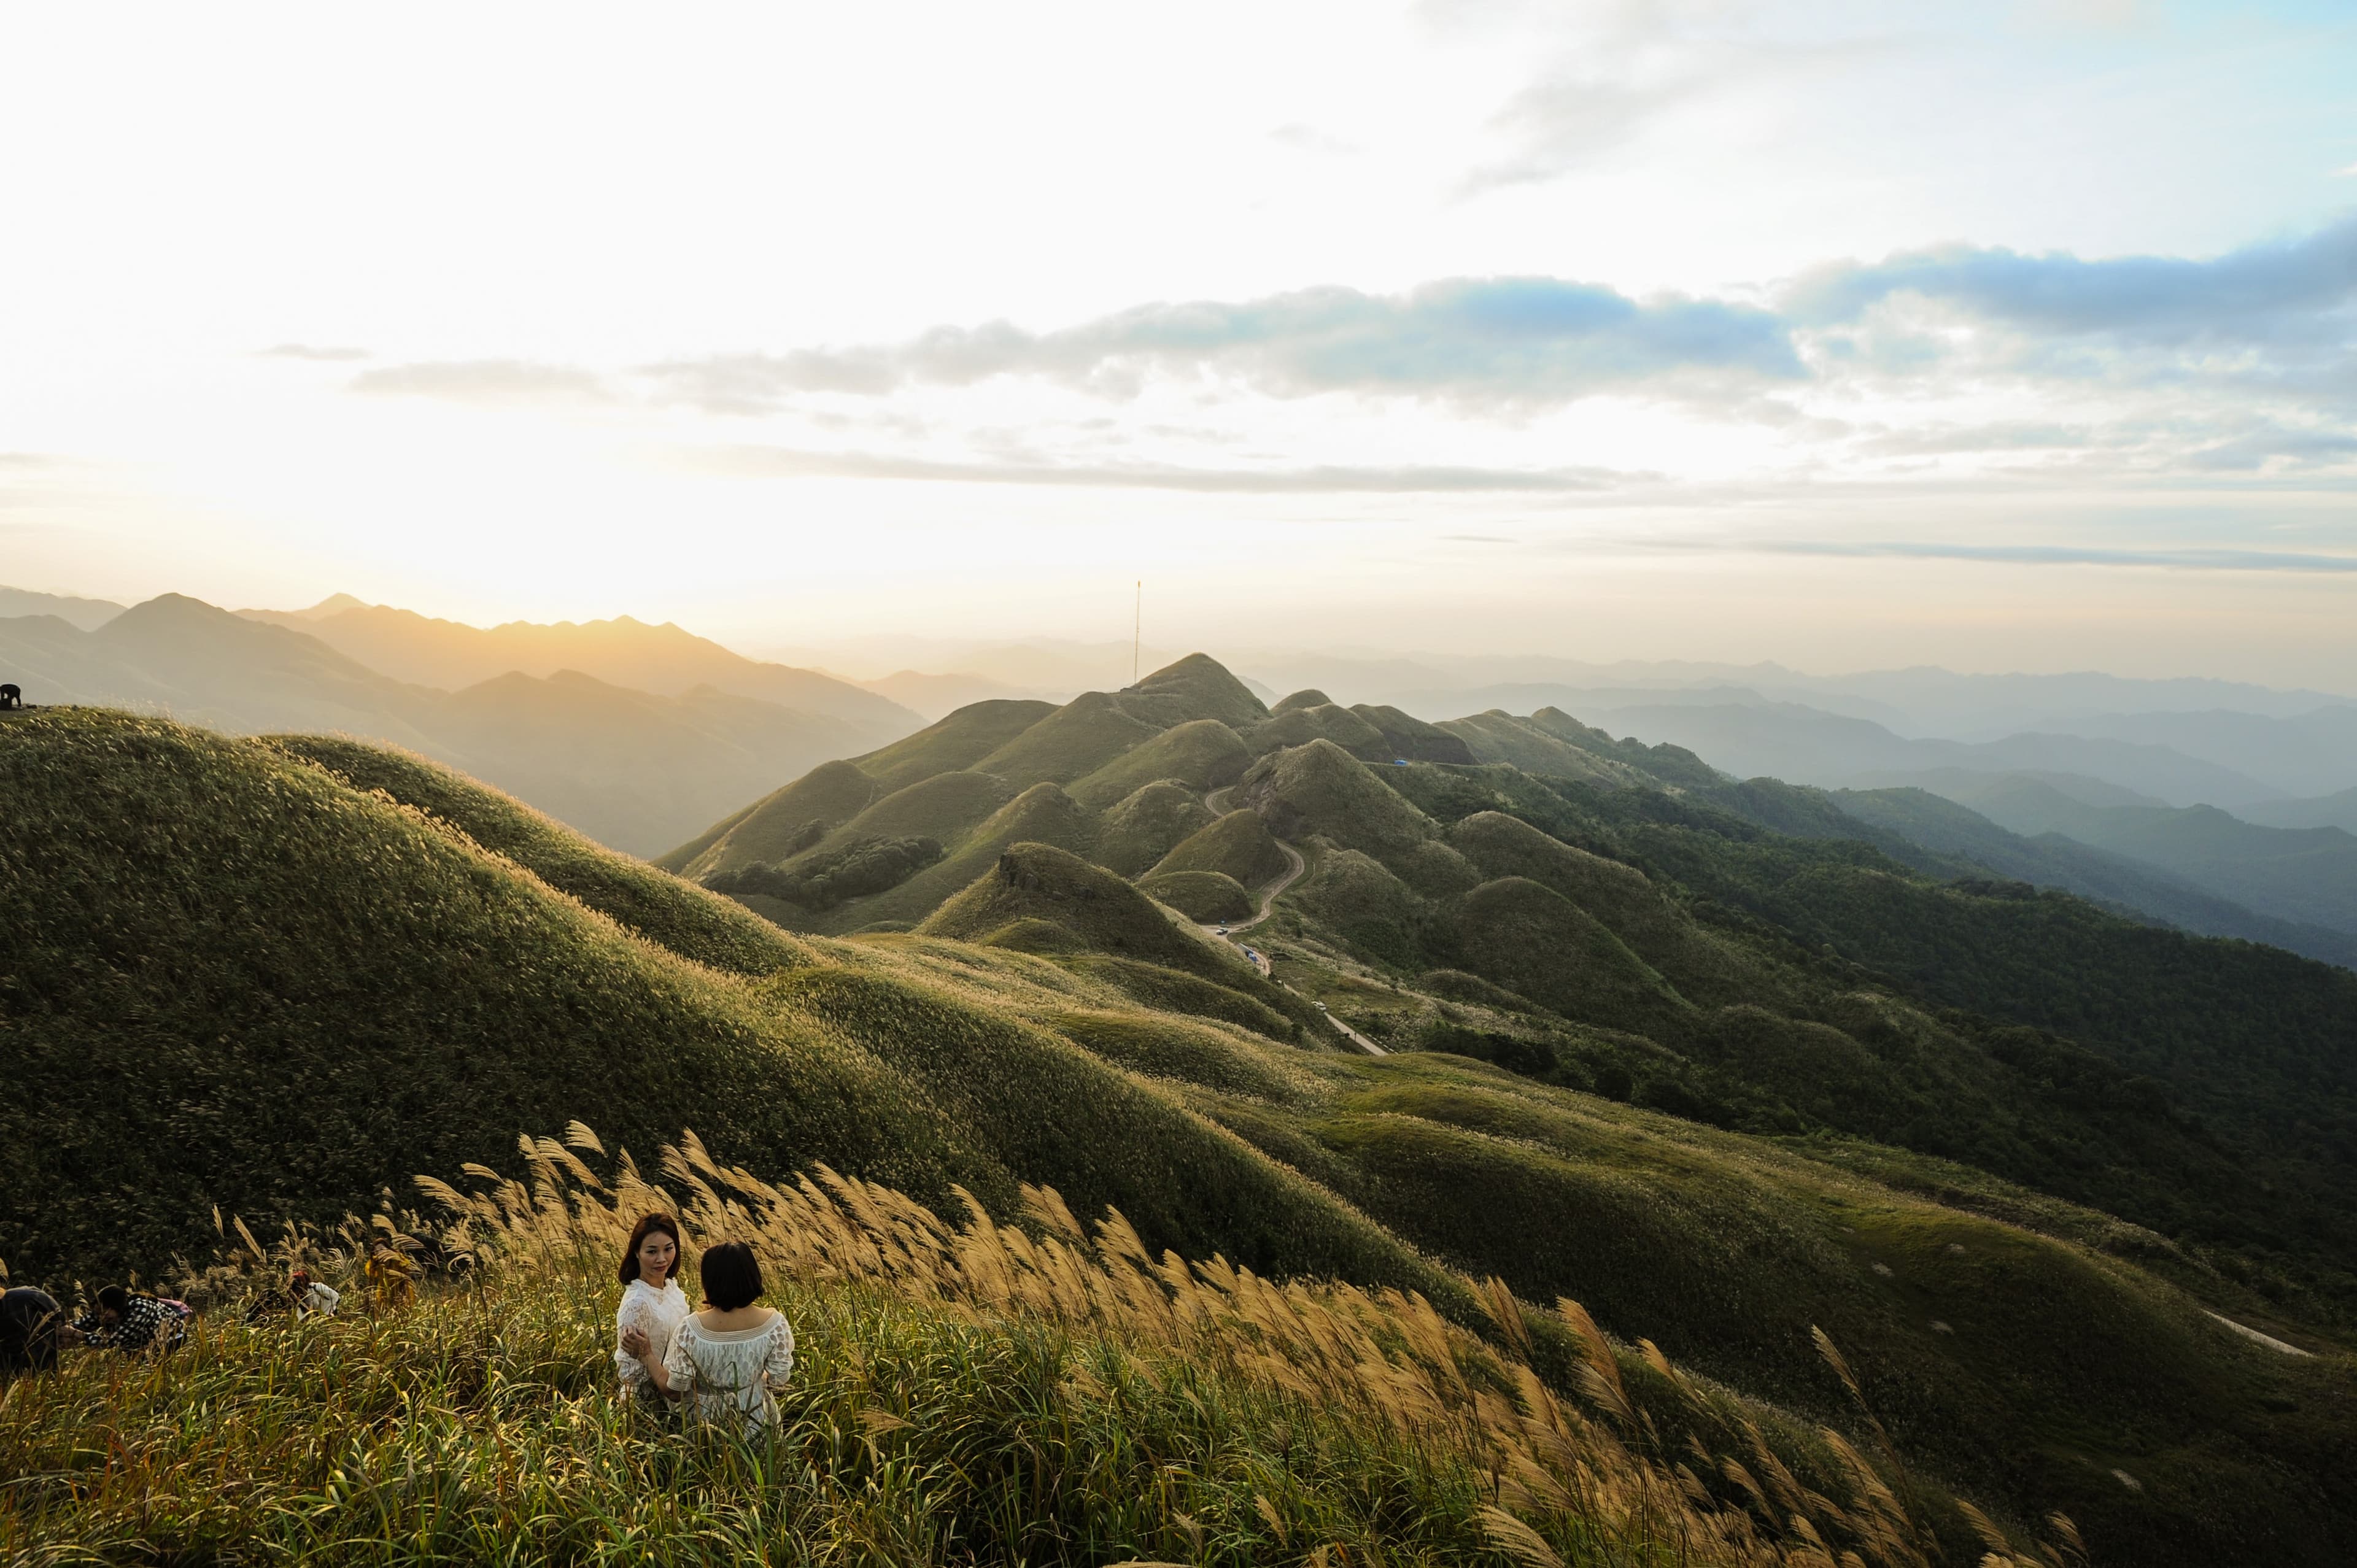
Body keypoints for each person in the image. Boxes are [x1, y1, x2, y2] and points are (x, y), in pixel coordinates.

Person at [621, 1241, 793, 1437]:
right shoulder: (775, 1325)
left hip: (705, 1431)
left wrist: (646, 1354)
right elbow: (779, 1384)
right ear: (753, 1276)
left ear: (709, 1280)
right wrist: (750, 1380)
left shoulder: (692, 1329)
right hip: (757, 1424)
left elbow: (674, 1391)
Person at [612, 1213, 689, 1415]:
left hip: (677, 1394)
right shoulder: (637, 1303)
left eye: (669, 1249)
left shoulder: (671, 1287)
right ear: (636, 1252)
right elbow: (631, 1372)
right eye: (652, 1251)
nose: (662, 1259)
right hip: (649, 1408)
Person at [67, 1284, 190, 1354]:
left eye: (104, 1312)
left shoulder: (140, 1310)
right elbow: (83, 1323)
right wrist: (62, 1329)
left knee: (148, 1367)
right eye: (98, 1313)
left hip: (170, 1341)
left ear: (116, 1307)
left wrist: (78, 1335)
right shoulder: (106, 1311)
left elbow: (110, 1342)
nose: (101, 1317)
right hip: (143, 1342)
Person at [1, 1286, 66, 1374]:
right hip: (9, 1363)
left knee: (49, 1380)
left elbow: (55, 1311)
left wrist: (60, 1326)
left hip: (43, 1352)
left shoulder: (24, 1297)